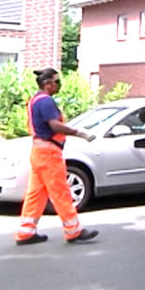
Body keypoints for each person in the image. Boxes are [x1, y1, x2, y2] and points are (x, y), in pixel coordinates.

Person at [15, 68, 99, 245]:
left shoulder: (34, 100)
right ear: (47, 84)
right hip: (49, 154)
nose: (59, 85)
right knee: (60, 192)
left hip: (38, 152)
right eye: (57, 82)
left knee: (35, 194)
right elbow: (54, 126)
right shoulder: (46, 101)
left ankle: (26, 232)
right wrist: (79, 132)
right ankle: (73, 230)